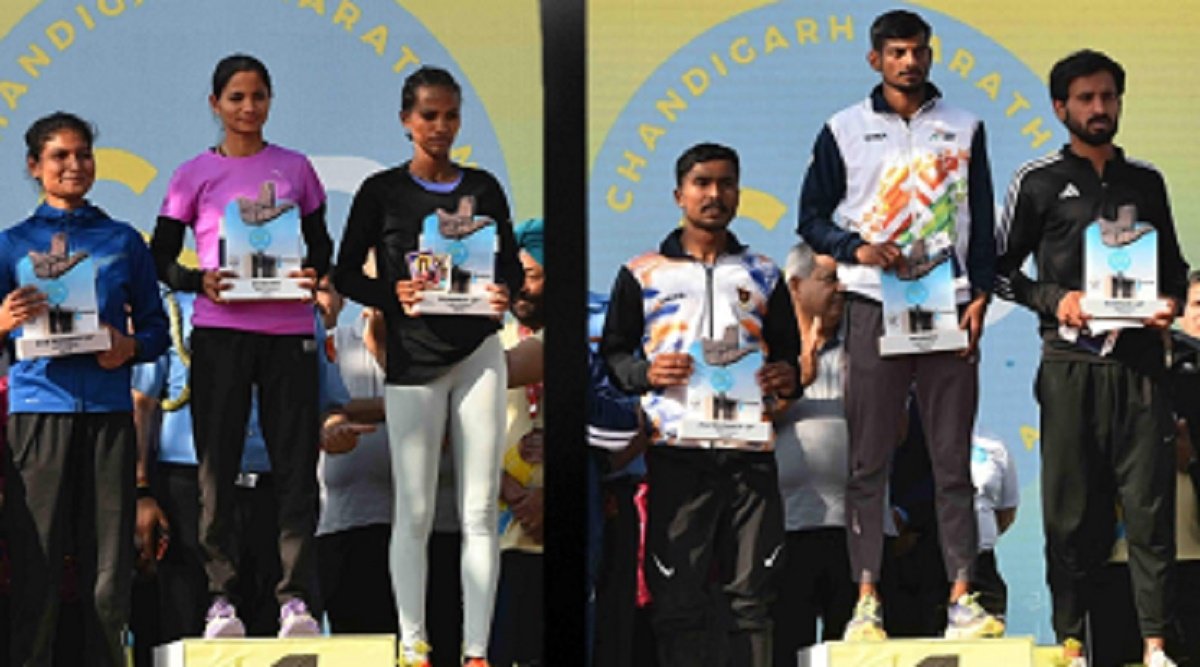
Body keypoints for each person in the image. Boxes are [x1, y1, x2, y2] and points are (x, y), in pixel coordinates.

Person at [795, 9, 1000, 641]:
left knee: (951, 461)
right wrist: (855, 248)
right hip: (871, 302)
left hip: (948, 301)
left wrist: (981, 293)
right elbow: (811, 218)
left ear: (930, 55)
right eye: (896, 52)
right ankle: (866, 601)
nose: (909, 62)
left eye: (917, 51)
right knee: (868, 460)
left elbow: (982, 219)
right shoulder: (843, 129)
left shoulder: (965, 126)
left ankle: (962, 597)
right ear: (875, 59)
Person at [995, 49, 1188, 667]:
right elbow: (999, 273)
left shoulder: (1147, 181)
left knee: (1150, 510)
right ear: (1061, 108)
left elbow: (1176, 271)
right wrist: (1057, 299)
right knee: (1070, 516)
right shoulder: (1039, 181)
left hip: (1141, 368)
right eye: (1086, 98)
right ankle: (1071, 644)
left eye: (1108, 96)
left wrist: (1168, 304)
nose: (1099, 108)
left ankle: (1156, 646)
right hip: (1071, 365)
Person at [332, 65, 522, 667]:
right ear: (406, 121)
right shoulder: (382, 192)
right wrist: (393, 296)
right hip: (413, 360)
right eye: (429, 115)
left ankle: (475, 650)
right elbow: (344, 273)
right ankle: (414, 645)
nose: (440, 126)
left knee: (478, 509)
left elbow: (510, 269)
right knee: (413, 510)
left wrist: (505, 293)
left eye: (451, 115)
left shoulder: (485, 188)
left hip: (479, 354)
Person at [148, 53, 333, 638]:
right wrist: (195, 280)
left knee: (295, 467)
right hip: (221, 332)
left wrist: (313, 275)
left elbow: (322, 246)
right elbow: (159, 255)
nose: (248, 108)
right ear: (215, 104)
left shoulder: (297, 168)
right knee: (216, 467)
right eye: (236, 98)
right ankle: (219, 599)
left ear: (270, 101)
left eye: (258, 96)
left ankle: (294, 599)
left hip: (288, 332)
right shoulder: (192, 174)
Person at [600, 142, 800, 667]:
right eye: (702, 183)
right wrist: (646, 373)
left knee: (752, 601)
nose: (715, 194)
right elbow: (614, 356)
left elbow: (790, 360)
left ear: (738, 192)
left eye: (726, 183)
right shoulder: (643, 272)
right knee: (678, 602)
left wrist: (786, 376)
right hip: (677, 452)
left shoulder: (763, 273)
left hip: (750, 456)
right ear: (679, 195)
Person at [0, 111, 168, 666]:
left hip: (107, 417)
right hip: (37, 416)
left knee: (107, 577)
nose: (74, 165)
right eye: (59, 156)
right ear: (34, 166)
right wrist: (2, 322)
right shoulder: (11, 244)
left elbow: (157, 332)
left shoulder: (123, 241)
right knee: (37, 570)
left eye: (83, 154)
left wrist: (128, 347)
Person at [130, 286, 283, 647]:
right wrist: (142, 490)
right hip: (188, 480)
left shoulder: (288, 306)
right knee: (186, 618)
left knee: (263, 622)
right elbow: (143, 402)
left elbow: (319, 402)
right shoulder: (175, 309)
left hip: (265, 479)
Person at [769, 241, 856, 664]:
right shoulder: (768, 353)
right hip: (787, 526)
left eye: (844, 280)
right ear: (795, 285)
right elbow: (750, 428)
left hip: (855, 529)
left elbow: (895, 434)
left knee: (851, 651)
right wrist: (798, 380)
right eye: (829, 279)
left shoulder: (865, 350)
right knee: (788, 645)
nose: (840, 288)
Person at [490, 218, 547, 667]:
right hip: (502, 536)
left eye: (531, 275)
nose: (521, 289)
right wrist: (511, 491)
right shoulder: (490, 344)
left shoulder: (588, 339)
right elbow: (456, 430)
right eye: (514, 277)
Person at [968, 434, 1019, 626]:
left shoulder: (994, 448)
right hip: (936, 565)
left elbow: (1006, 512)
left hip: (982, 564)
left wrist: (982, 536)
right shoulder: (924, 442)